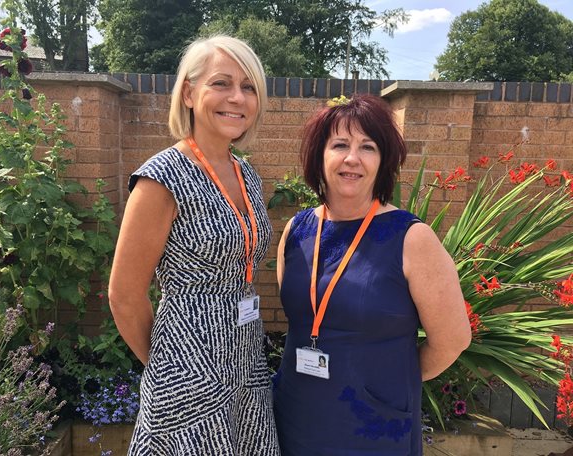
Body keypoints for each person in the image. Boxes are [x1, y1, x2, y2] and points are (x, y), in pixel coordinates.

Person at [108, 35, 280, 455]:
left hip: (246, 360)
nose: (236, 97)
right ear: (189, 92)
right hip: (187, 369)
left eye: (249, 87)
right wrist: (172, 367)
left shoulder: (247, 175)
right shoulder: (161, 178)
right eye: (221, 83)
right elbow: (124, 295)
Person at [273, 94, 472, 455]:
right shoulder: (297, 230)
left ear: (384, 162)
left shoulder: (412, 239)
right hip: (297, 414)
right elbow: (301, 318)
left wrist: (389, 381)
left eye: (368, 146)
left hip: (374, 428)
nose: (352, 158)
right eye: (340, 145)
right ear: (319, 156)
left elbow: (452, 340)